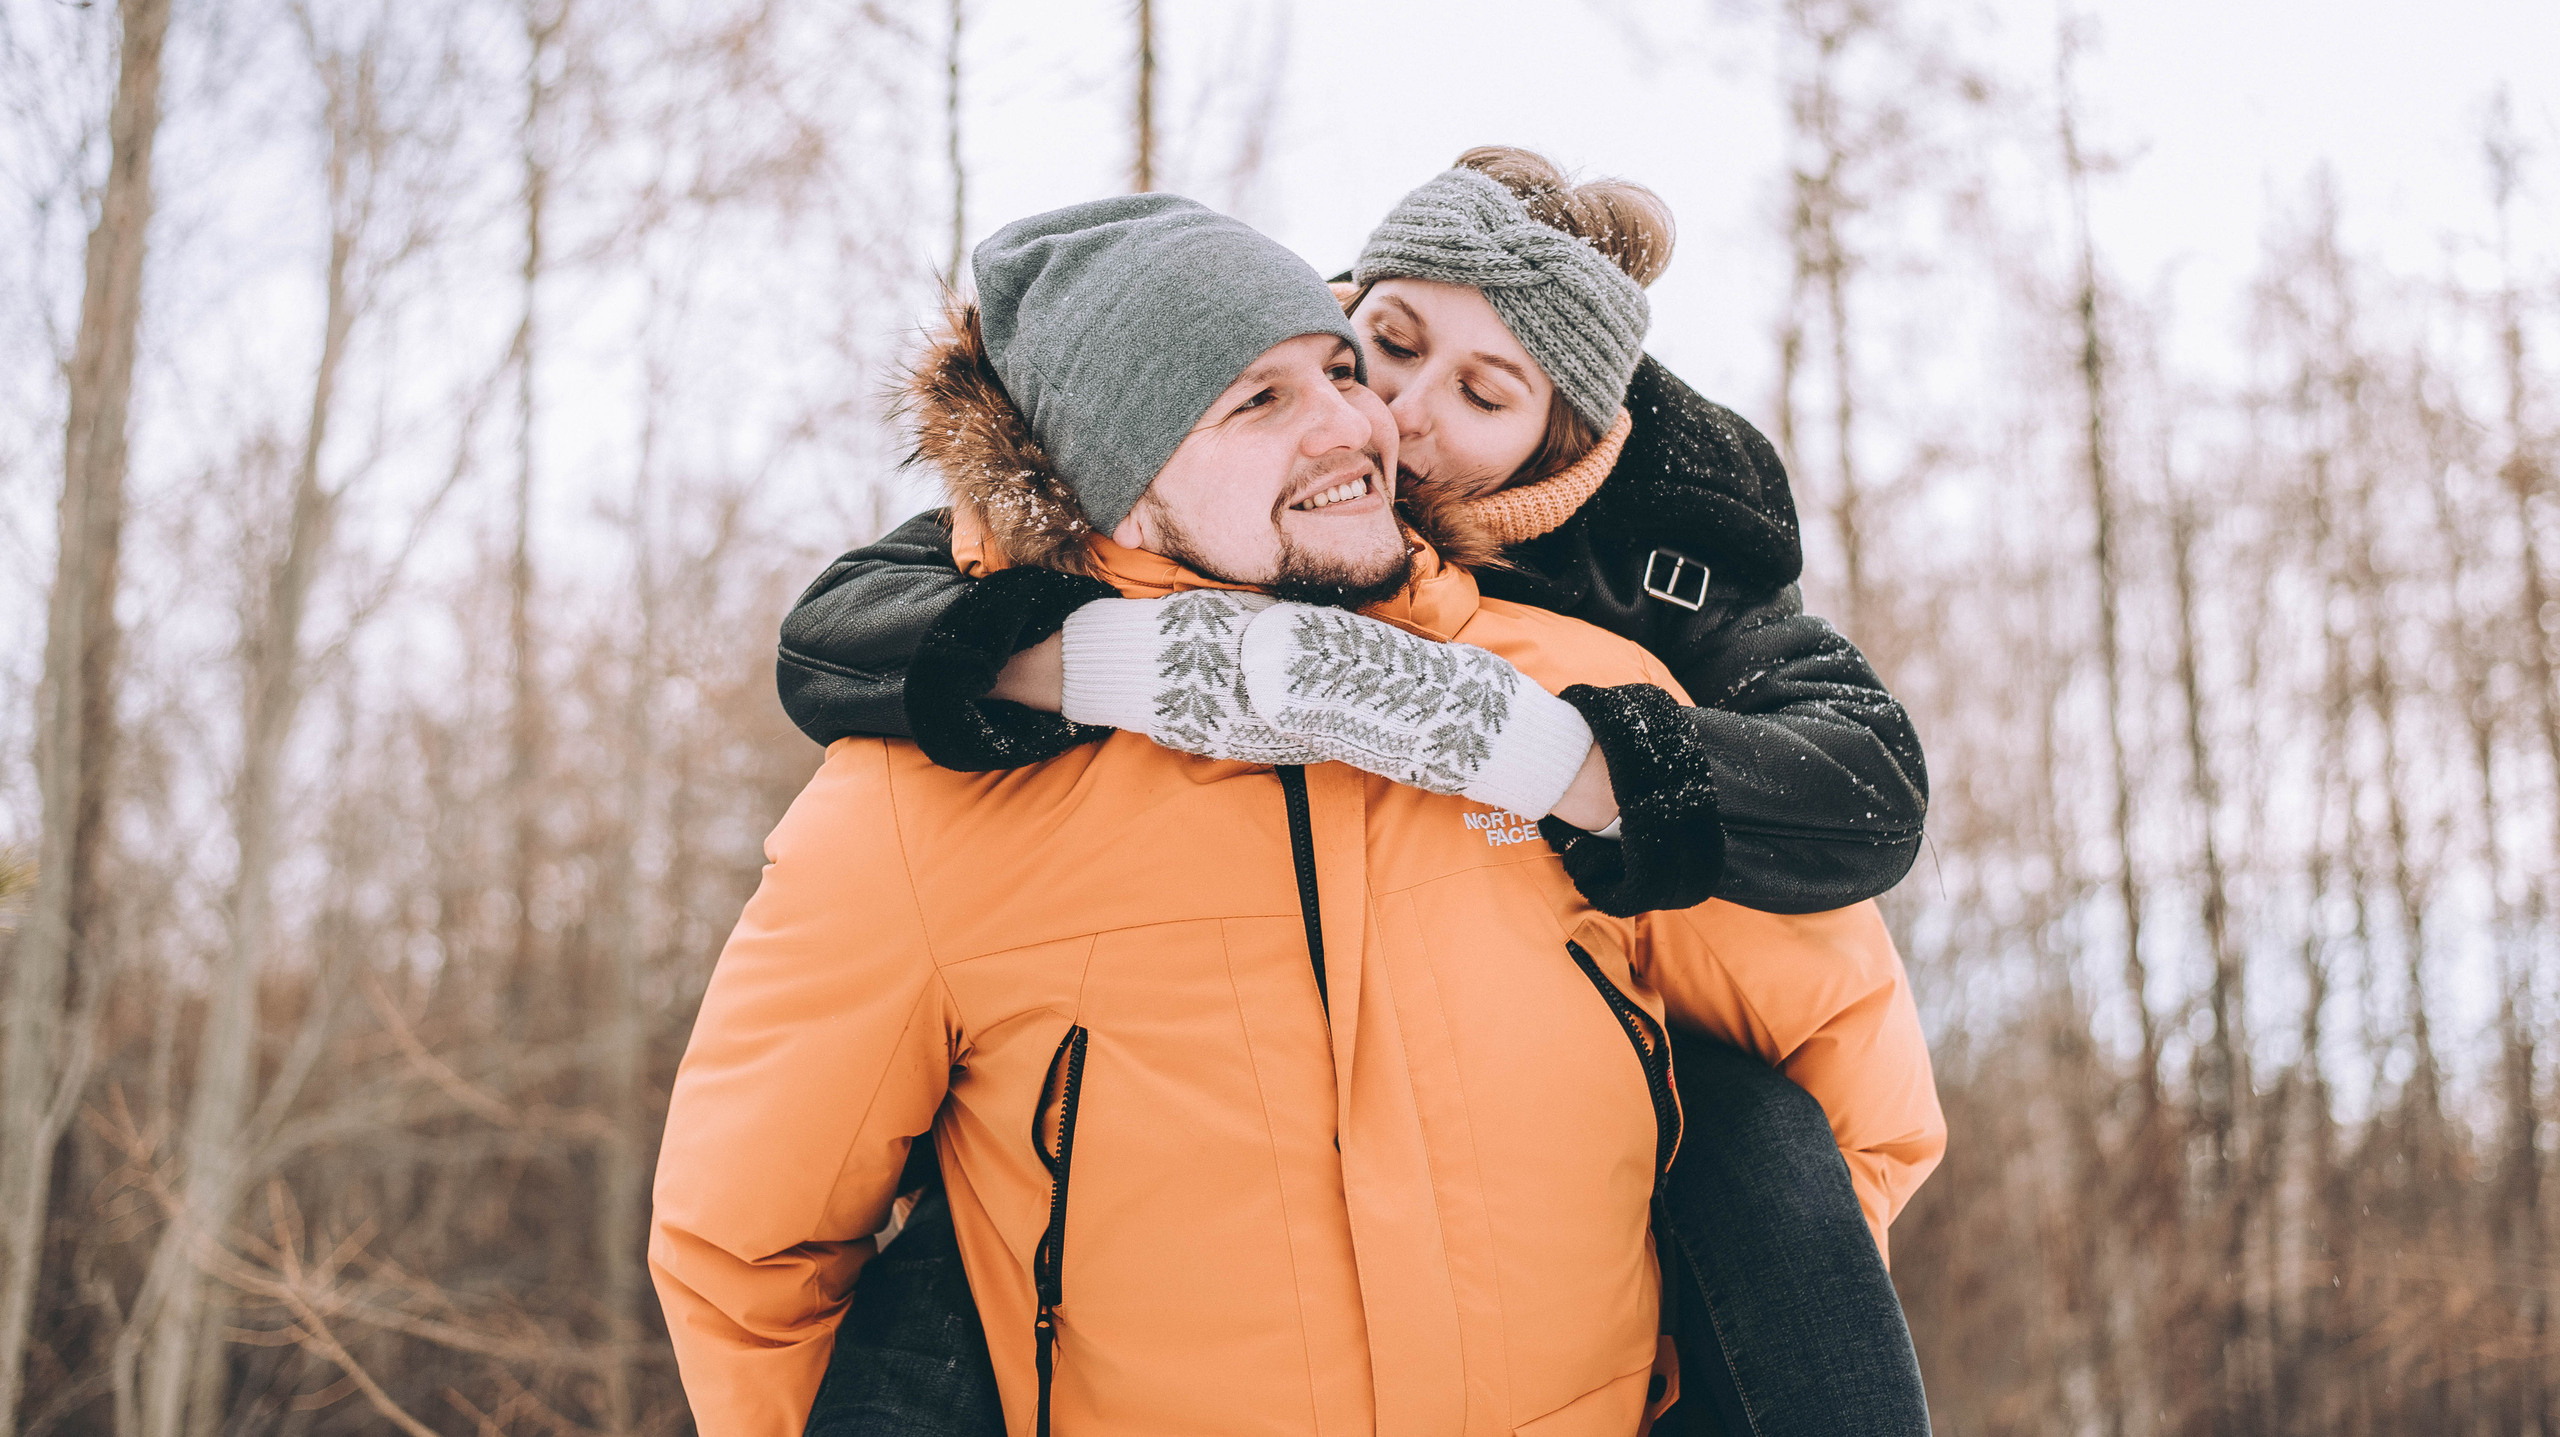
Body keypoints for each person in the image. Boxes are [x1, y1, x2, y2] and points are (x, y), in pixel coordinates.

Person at [652, 194, 1944, 1436]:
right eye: (1258, 399)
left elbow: (1844, 1103)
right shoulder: (930, 793)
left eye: (1334, 371)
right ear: (1119, 475)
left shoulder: (1584, 694)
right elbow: (748, 1245)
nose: (1365, 421)